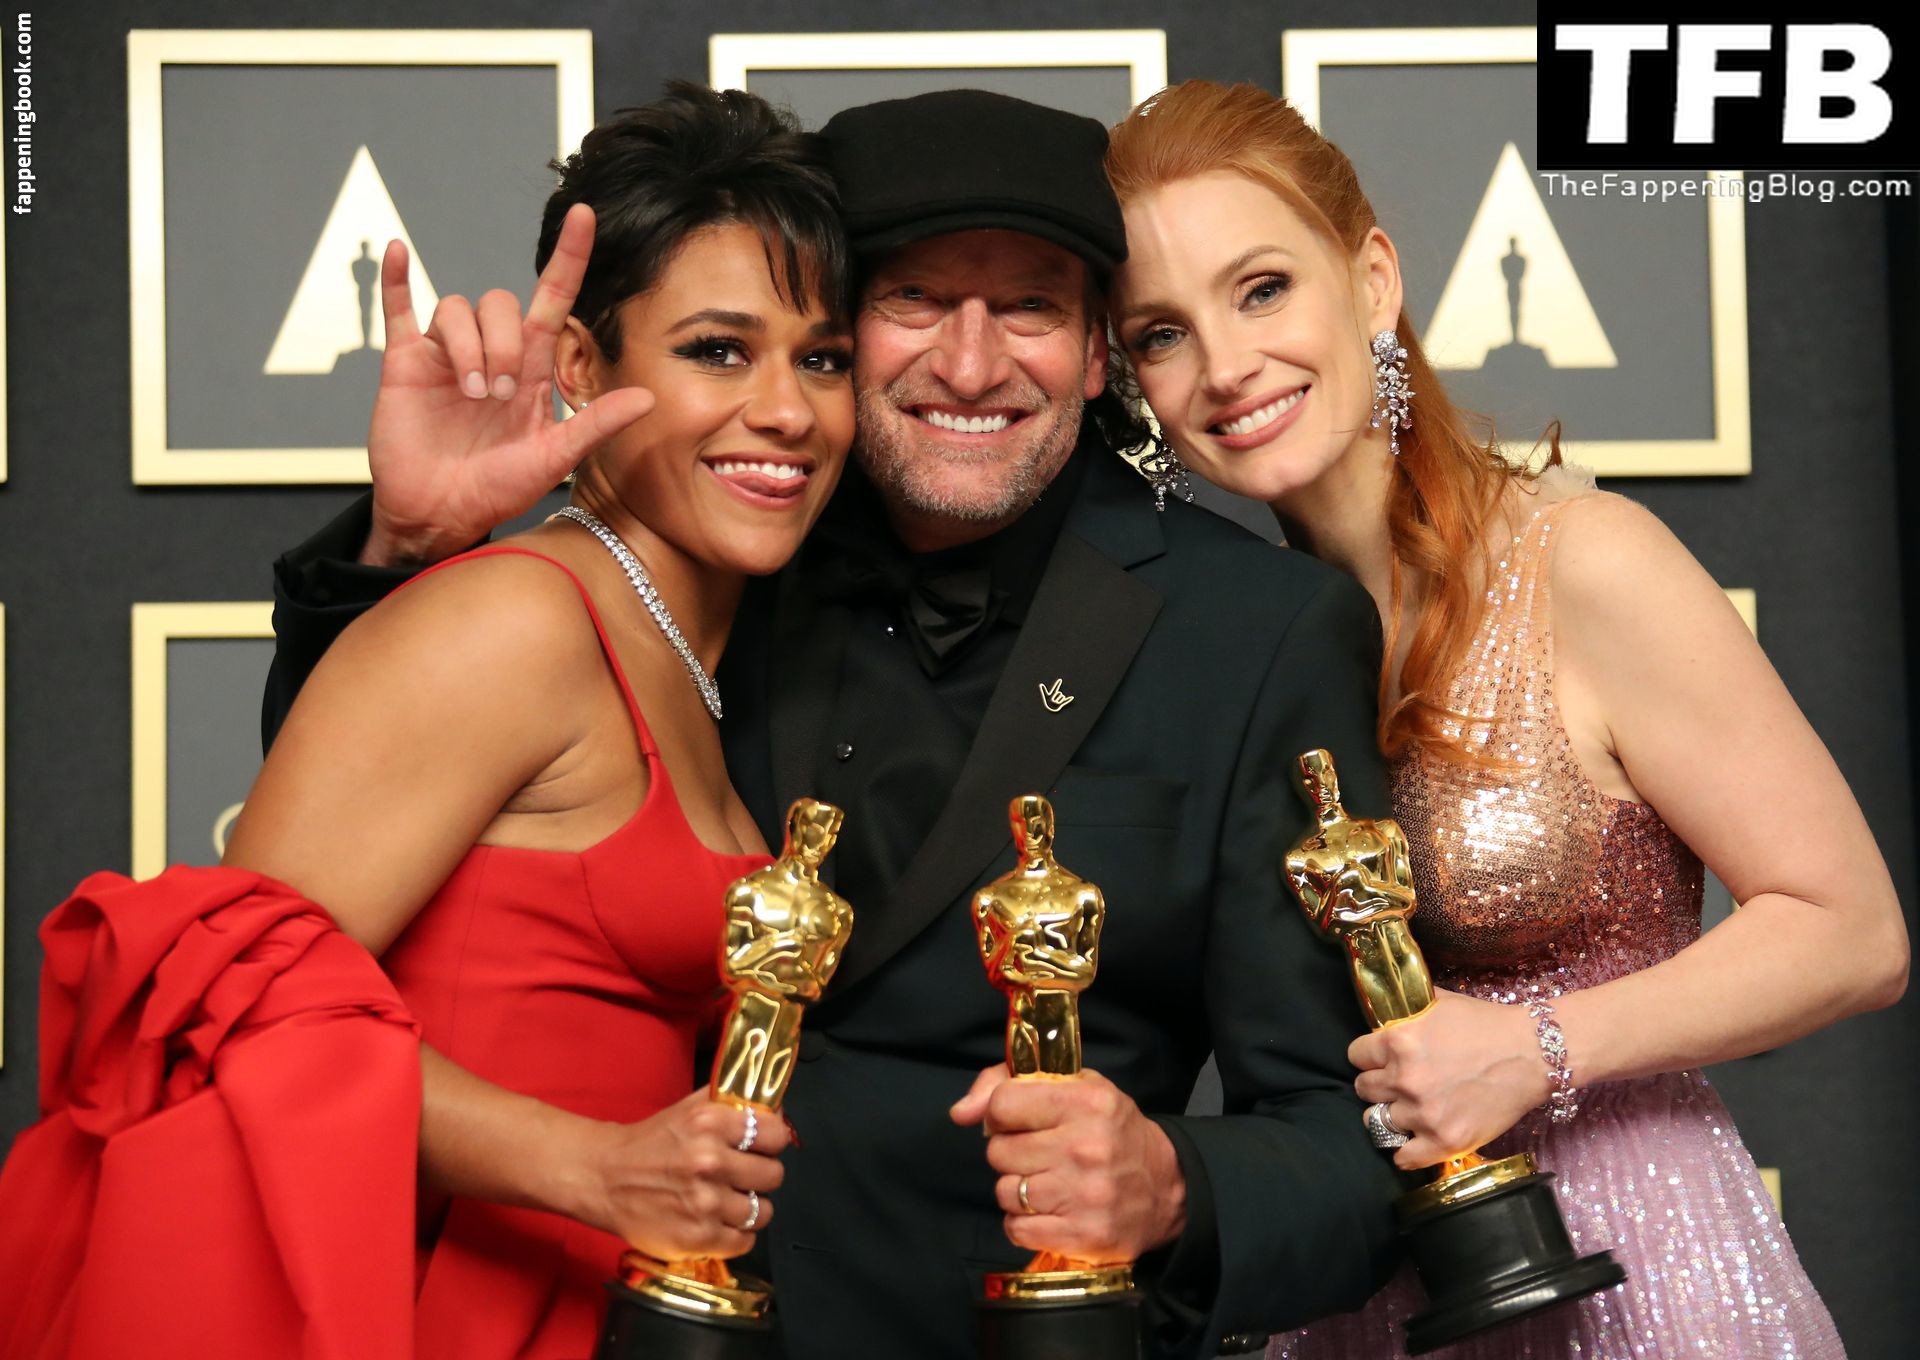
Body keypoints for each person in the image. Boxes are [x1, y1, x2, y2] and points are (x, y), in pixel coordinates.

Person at [262, 88, 1405, 1359]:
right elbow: (340, 881)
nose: (969, 365)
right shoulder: (724, 531)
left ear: (1098, 351)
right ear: (838, 323)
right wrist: (407, 548)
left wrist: (1175, 1186)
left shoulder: (1257, 630)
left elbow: (1359, 1139)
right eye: (911, 298)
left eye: (1030, 306)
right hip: (622, 1324)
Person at [1, 83, 857, 1360]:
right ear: (583, 369)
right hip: (417, 1309)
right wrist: (593, 1166)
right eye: (718, 351)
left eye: (823, 358)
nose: (788, 410)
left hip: (585, 1311)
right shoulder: (522, 618)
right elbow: (221, 996)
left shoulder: (698, 652)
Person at [1101, 79, 1909, 1357]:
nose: (1226, 365)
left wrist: (1541, 1045)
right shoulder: (1223, 651)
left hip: (1636, 1271)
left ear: (1371, 280)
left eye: (1262, 290)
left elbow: (1852, 931)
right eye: (1161, 333)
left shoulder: (1581, 561)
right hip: (1363, 1291)